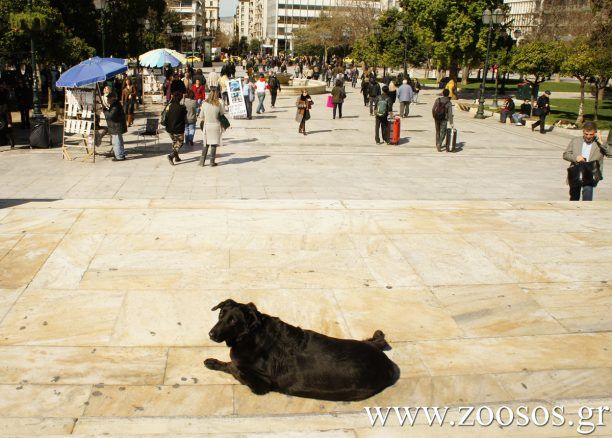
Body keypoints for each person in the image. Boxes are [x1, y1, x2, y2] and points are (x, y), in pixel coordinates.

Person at [563, 121, 611, 201]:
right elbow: (565, 154)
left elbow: (610, 154)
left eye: (591, 134)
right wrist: (575, 158)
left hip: (591, 172)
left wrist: (601, 142)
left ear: (595, 133)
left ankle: (585, 212)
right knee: (574, 197)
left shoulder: (600, 144)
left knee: (587, 194)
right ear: (583, 132)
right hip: (576, 171)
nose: (588, 136)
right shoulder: (575, 141)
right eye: (586, 134)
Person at [197, 89, 225, 167]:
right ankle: (211, 162)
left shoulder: (204, 103)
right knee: (213, 144)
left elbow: (201, 116)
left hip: (207, 126)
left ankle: (201, 162)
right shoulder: (219, 104)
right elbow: (222, 113)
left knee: (206, 144)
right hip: (216, 126)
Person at [165, 91, 187, 165]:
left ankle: (177, 157)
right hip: (179, 129)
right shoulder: (182, 108)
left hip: (169, 129)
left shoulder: (169, 106)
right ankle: (171, 156)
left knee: (175, 142)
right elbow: (185, 118)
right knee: (180, 143)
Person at [103, 92, 127, 161]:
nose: (107, 100)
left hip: (116, 127)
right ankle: (120, 154)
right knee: (118, 141)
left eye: (108, 98)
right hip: (116, 127)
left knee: (117, 142)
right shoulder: (114, 105)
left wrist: (105, 111)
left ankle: (119, 156)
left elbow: (111, 116)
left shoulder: (115, 106)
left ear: (112, 99)